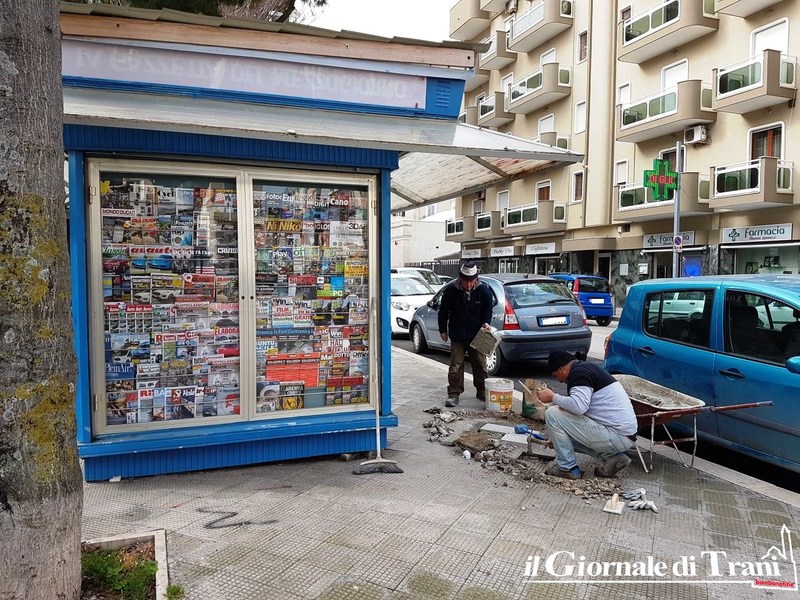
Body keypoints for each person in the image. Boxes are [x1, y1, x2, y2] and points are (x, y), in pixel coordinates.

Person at [536, 350, 638, 479]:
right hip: (623, 436)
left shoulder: (579, 373)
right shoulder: (586, 369)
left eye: (556, 376)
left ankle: (567, 468)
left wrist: (553, 397)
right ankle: (614, 457)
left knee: (552, 413)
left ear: (561, 369)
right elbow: (578, 411)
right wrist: (557, 440)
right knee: (565, 433)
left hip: (616, 436)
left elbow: (578, 407)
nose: (560, 381)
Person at [438, 262, 494, 407]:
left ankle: (482, 391)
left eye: (471, 281)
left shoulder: (484, 290)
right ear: (460, 279)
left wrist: (486, 322)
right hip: (457, 333)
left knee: (480, 364)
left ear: (476, 279)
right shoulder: (451, 290)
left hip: (477, 334)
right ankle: (454, 393)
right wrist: (443, 330)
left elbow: (487, 310)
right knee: (456, 365)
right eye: (465, 281)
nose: (468, 285)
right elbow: (443, 311)